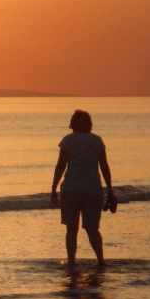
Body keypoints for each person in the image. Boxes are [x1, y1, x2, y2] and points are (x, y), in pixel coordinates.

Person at [51, 109, 118, 265]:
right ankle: (101, 260)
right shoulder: (97, 141)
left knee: (71, 229)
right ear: (89, 124)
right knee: (92, 228)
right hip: (93, 190)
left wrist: (54, 187)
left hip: (71, 190)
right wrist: (110, 190)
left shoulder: (68, 140)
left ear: (72, 124)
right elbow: (104, 166)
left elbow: (60, 165)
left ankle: (72, 262)